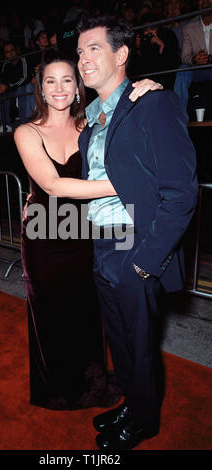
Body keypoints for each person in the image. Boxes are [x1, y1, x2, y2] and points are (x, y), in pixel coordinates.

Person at [74, 14, 198, 450]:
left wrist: (147, 260)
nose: (83, 59)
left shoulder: (154, 103)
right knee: (120, 338)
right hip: (101, 240)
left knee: (142, 342)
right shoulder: (91, 120)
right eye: (79, 52)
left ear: (122, 54)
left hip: (135, 244)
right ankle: (133, 402)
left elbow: (181, 193)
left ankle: (145, 420)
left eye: (94, 49)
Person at [14, 52, 162, 410]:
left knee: (87, 312)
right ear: (41, 89)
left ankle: (91, 380)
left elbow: (131, 110)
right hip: (44, 236)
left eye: (68, 79)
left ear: (78, 87)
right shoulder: (26, 131)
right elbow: (53, 185)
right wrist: (126, 185)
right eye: (51, 81)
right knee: (51, 313)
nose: (60, 88)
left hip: (85, 232)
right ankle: (58, 386)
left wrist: (150, 89)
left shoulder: (95, 124)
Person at [173, 0, 212, 111]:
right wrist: (194, 59)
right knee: (183, 70)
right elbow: (185, 57)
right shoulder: (189, 27)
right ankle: (178, 114)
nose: (204, 2)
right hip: (199, 69)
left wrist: (209, 58)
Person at [0, 41, 32, 133]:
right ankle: (5, 125)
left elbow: (25, 78)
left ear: (16, 50)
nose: (11, 53)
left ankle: (24, 123)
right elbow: (4, 80)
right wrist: (2, 86)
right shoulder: (6, 64)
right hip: (12, 89)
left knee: (21, 90)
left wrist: (8, 86)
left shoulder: (23, 59)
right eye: (7, 52)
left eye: (12, 50)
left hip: (23, 87)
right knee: (3, 94)